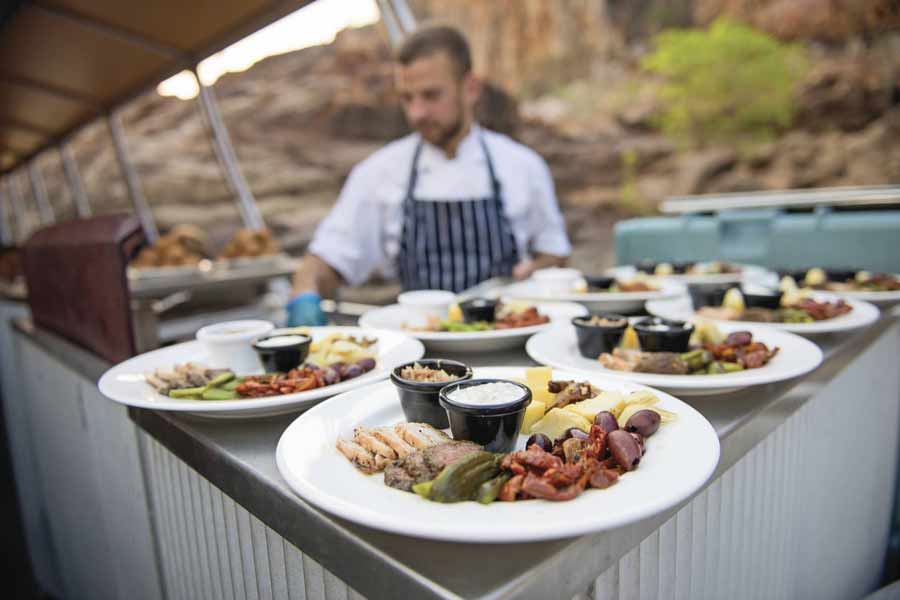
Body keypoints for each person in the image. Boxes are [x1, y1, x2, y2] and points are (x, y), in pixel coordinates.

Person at [287, 24, 571, 326]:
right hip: (419, 354)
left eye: (431, 96)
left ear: (470, 88)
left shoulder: (523, 166)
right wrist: (304, 295)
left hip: (507, 335)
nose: (416, 113)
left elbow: (554, 252)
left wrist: (534, 270)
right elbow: (325, 259)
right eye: (407, 98)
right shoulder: (378, 173)